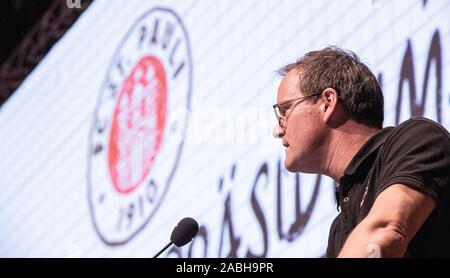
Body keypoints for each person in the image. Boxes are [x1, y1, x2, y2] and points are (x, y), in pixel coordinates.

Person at [272, 46, 450, 258]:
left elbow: (386, 233)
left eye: (285, 111)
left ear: (327, 103)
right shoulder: (338, 232)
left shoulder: (417, 138)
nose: (277, 130)